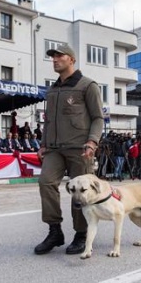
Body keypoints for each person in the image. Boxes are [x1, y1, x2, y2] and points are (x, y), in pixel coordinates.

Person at [35, 44, 104, 255]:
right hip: (54, 149)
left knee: (82, 192)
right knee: (45, 182)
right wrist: (44, 144)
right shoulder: (53, 89)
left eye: (59, 56)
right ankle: (54, 231)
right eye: (52, 57)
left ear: (71, 59)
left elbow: (98, 118)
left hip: (79, 149)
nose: (55, 60)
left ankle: (81, 234)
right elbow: (48, 121)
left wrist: (92, 142)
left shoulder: (87, 85)